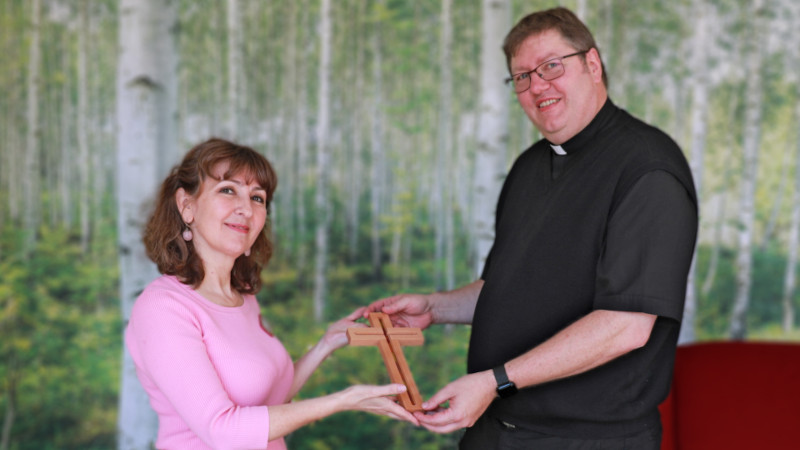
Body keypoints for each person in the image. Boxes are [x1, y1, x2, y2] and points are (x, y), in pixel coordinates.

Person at [367, 7, 697, 449]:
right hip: (494, 430)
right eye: (522, 77)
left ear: (593, 64)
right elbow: (507, 290)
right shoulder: (529, 167)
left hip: (585, 440)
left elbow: (626, 325)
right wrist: (435, 307)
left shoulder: (647, 169)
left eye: (551, 66)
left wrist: (496, 381)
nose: (537, 86)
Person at [125, 138, 418, 450]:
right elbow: (222, 430)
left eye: (257, 198)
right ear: (187, 205)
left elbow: (269, 403)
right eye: (228, 190)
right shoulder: (163, 308)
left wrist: (327, 343)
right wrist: (342, 401)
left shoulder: (243, 298)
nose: (246, 209)